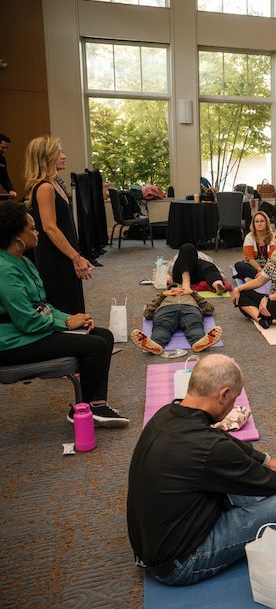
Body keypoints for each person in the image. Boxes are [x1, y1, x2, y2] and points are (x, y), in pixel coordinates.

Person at [128, 355, 276, 586]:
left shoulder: (167, 413)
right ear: (224, 394)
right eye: (234, 399)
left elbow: (220, 439)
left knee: (244, 479)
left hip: (151, 544)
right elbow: (260, 478)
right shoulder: (209, 448)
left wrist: (265, 459)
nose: (232, 407)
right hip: (179, 564)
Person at [0, 202, 126, 427]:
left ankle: (95, 405)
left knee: (104, 336)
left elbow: (42, 306)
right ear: (17, 236)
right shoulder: (4, 270)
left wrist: (75, 319)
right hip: (11, 343)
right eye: (32, 229)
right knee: (95, 345)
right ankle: (83, 410)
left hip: (29, 332)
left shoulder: (24, 262)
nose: (37, 232)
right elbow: (26, 320)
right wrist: (66, 322)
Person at [22, 136, 89, 314]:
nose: (64, 156)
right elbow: (49, 227)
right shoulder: (44, 187)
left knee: (72, 298)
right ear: (44, 159)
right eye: (58, 152)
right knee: (63, 301)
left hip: (64, 251)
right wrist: (76, 257)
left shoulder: (54, 183)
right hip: (54, 255)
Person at [131, 287, 222, 355]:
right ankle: (155, 344)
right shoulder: (163, 297)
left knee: (194, 325)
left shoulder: (192, 295)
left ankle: (199, 342)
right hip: (166, 310)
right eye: (174, 289)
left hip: (190, 309)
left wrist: (193, 293)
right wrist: (162, 295)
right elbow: (147, 313)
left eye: (181, 288)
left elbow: (209, 309)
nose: (178, 290)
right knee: (162, 326)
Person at [235, 211, 274, 281]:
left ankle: (255, 278)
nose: (259, 224)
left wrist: (265, 270)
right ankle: (263, 278)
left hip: (270, 266)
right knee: (239, 265)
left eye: (262, 221)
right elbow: (249, 258)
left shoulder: (273, 237)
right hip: (255, 266)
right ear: (253, 224)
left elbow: (273, 259)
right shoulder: (249, 237)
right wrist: (260, 270)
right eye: (257, 221)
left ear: (266, 223)